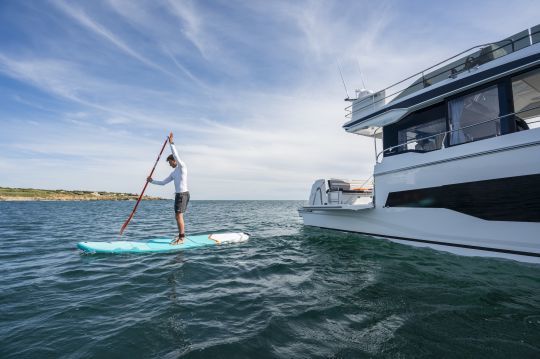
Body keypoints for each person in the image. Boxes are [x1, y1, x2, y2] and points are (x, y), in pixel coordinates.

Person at [147, 133, 189, 245]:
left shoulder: (182, 166)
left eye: (170, 162)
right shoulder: (174, 173)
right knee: (178, 216)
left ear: (174, 161)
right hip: (178, 195)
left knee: (178, 215)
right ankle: (181, 235)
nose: (170, 164)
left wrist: (171, 143)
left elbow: (175, 154)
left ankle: (182, 238)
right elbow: (163, 183)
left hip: (182, 194)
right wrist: (152, 181)